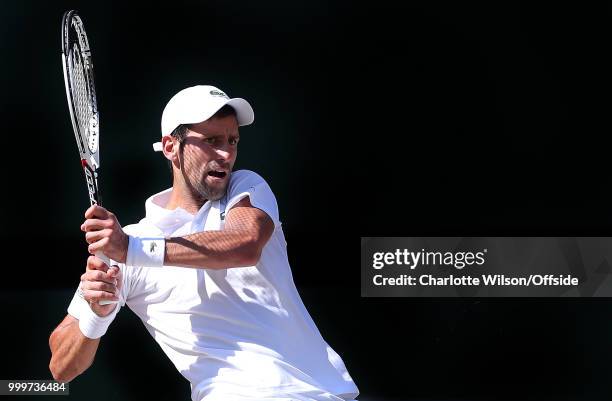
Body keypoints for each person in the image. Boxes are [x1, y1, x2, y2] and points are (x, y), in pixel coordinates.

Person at [48, 85, 359, 401]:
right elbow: (61, 368)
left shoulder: (245, 188)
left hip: (323, 394)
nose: (226, 154)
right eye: (211, 141)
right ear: (171, 147)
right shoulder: (129, 244)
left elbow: (245, 244)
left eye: (232, 141)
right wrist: (95, 314)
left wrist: (133, 251)